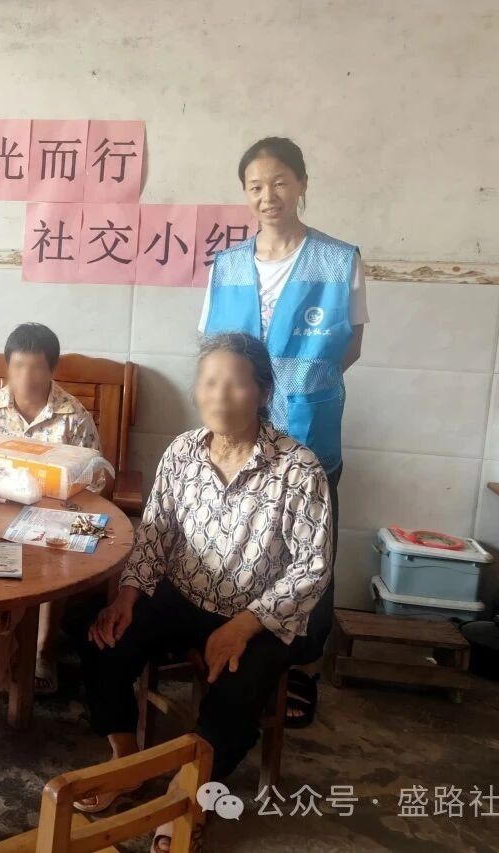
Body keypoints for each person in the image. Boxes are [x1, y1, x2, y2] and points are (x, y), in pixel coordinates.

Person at [73, 333, 331, 844]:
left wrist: (244, 626)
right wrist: (127, 596)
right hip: (184, 594)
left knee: (236, 690)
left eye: (234, 383)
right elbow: (155, 535)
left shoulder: (298, 468)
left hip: (261, 613)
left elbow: (312, 568)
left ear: (262, 392)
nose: (219, 395)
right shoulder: (182, 452)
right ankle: (126, 761)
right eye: (209, 382)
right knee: (103, 639)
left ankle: (186, 796)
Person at [199, 136, 367, 726]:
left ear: (301, 184)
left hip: (309, 429)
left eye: (279, 182)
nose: (267, 195)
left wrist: (299, 386)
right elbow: (211, 347)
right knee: (237, 542)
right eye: (255, 186)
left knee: (310, 554)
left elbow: (350, 344)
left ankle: (301, 668)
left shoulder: (339, 259)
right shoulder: (226, 265)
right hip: (237, 435)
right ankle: (240, 646)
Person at [0, 323, 101, 694]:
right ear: (7, 366)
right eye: (18, 366)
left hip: (53, 514)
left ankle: (43, 646)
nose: (26, 377)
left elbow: (93, 481)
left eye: (37, 367)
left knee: (56, 550)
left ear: (52, 369)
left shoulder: (73, 416)